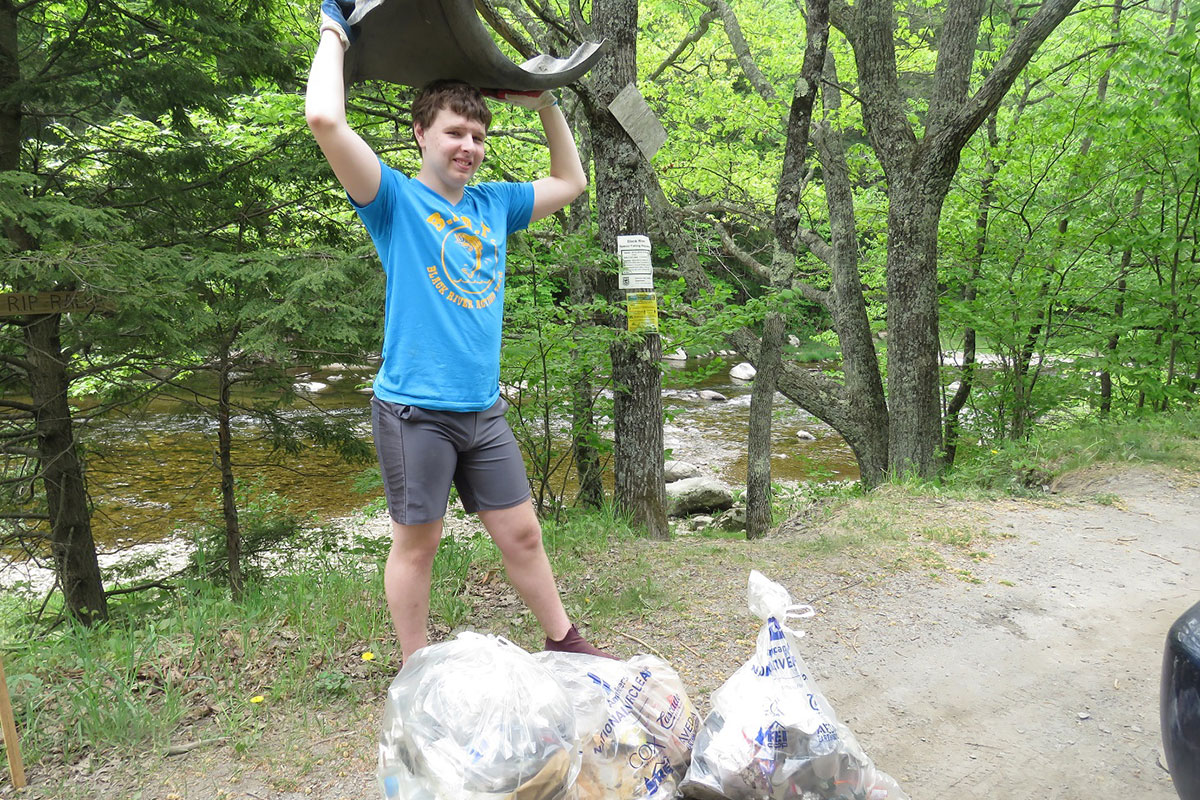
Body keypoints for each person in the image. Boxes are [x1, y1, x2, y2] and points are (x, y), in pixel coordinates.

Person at [306, 0, 612, 662]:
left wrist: (542, 102)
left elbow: (572, 179)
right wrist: (335, 29)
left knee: (524, 534)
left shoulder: (494, 204)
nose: (469, 147)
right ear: (421, 134)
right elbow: (324, 118)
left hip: (483, 411)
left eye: (477, 135)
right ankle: (417, 669)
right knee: (418, 544)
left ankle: (564, 642)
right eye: (454, 133)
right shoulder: (392, 201)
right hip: (416, 411)